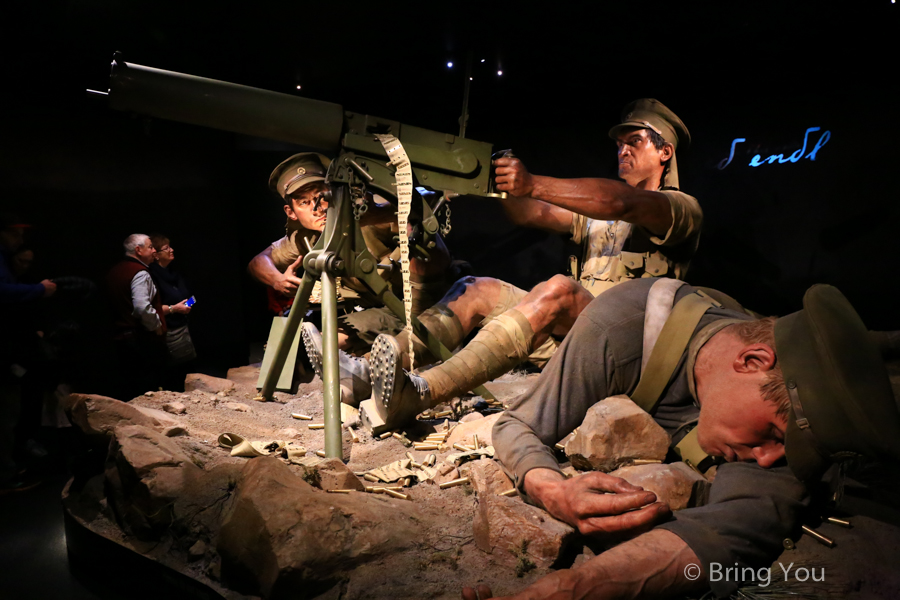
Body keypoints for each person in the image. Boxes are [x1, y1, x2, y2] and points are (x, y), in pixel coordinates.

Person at [459, 279, 900, 600]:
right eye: (772, 433)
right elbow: (518, 424)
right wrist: (552, 490)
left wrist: (570, 589)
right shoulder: (619, 329)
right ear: (751, 361)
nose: (768, 459)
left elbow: (735, 531)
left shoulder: (774, 409)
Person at [365, 99, 703, 426]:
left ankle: (420, 393)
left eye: (635, 142)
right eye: (619, 144)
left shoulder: (680, 208)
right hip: (578, 337)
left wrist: (533, 182)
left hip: (628, 349)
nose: (622, 150)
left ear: (665, 152)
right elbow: (532, 213)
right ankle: (373, 370)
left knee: (561, 290)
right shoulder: (598, 215)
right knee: (476, 288)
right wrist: (508, 182)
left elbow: (622, 202)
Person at [247, 153, 458, 403]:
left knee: (336, 337)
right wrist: (276, 279)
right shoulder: (306, 238)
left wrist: (374, 215)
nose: (317, 209)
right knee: (306, 332)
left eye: (321, 197)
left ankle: (363, 369)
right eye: (304, 202)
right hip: (377, 308)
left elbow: (423, 209)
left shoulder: (369, 215)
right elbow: (258, 261)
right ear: (291, 212)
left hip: (421, 302)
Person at [0, 214, 56, 493]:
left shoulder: (21, 284)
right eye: (14, 234)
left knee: (18, 406)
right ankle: (6, 475)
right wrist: (38, 290)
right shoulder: (19, 285)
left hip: (19, 354)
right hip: (8, 355)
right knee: (6, 412)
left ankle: (14, 460)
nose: (19, 240)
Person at [105, 234, 168, 399]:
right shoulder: (140, 273)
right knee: (145, 389)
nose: (154, 250)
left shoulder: (115, 270)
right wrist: (156, 325)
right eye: (150, 247)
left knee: (130, 388)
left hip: (119, 339)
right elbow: (142, 307)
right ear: (138, 250)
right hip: (138, 340)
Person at [148, 234, 195, 390]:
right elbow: (150, 307)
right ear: (156, 255)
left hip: (182, 327)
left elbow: (189, 296)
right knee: (173, 374)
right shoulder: (152, 276)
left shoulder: (173, 273)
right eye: (166, 248)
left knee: (184, 371)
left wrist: (187, 305)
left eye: (170, 246)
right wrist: (175, 308)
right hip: (167, 331)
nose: (172, 250)